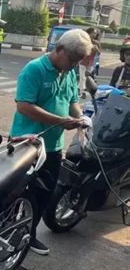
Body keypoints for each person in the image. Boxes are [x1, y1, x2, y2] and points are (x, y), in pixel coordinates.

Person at [9, 29, 93, 256]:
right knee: (18, 194)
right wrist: (60, 121)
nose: (75, 65)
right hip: (26, 144)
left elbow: (72, 99)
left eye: (78, 61)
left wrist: (80, 116)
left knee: (43, 195)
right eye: (72, 59)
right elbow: (24, 105)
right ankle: (5, 233)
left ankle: (28, 235)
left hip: (53, 147)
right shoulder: (34, 69)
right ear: (59, 50)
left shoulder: (69, 72)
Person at [79, 27, 101, 98]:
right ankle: (82, 92)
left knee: (88, 77)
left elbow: (99, 53)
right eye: (93, 33)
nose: (95, 34)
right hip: (82, 62)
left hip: (90, 63)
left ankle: (83, 90)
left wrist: (96, 49)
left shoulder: (96, 43)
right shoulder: (84, 41)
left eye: (95, 33)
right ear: (89, 33)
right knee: (82, 77)